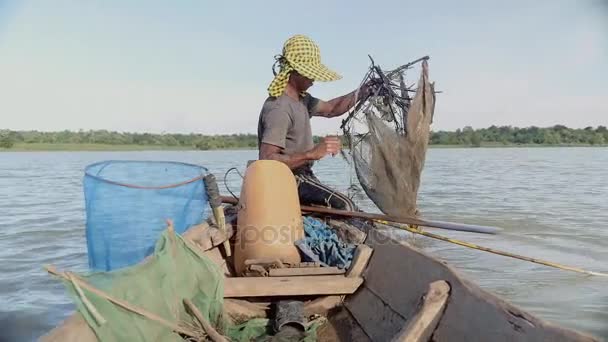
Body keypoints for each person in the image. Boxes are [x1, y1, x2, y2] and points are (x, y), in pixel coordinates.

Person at [257, 34, 371, 211]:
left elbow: (332, 108)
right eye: (310, 73)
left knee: (350, 207)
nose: (314, 79)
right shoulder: (279, 108)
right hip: (286, 180)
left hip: (305, 176)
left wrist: (362, 92)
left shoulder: (303, 100)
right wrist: (311, 154)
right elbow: (267, 161)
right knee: (346, 206)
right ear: (295, 70)